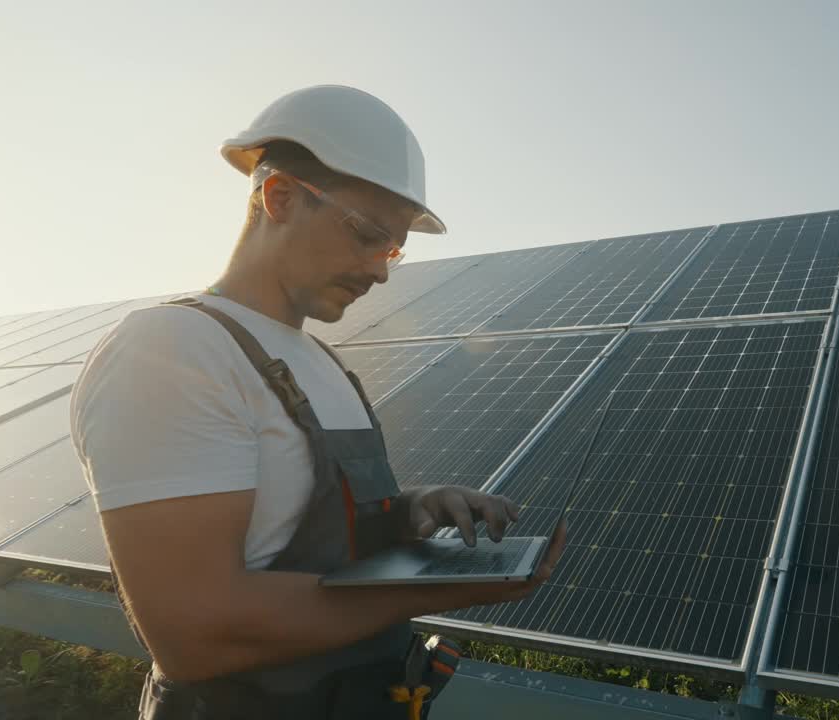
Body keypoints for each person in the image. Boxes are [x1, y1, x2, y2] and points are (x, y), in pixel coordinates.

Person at [70, 84, 566, 719]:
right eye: (366, 235)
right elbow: (194, 633)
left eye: (394, 248)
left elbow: (309, 529)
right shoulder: (171, 350)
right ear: (278, 198)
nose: (383, 271)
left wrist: (412, 509)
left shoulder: (321, 362)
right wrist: (440, 591)